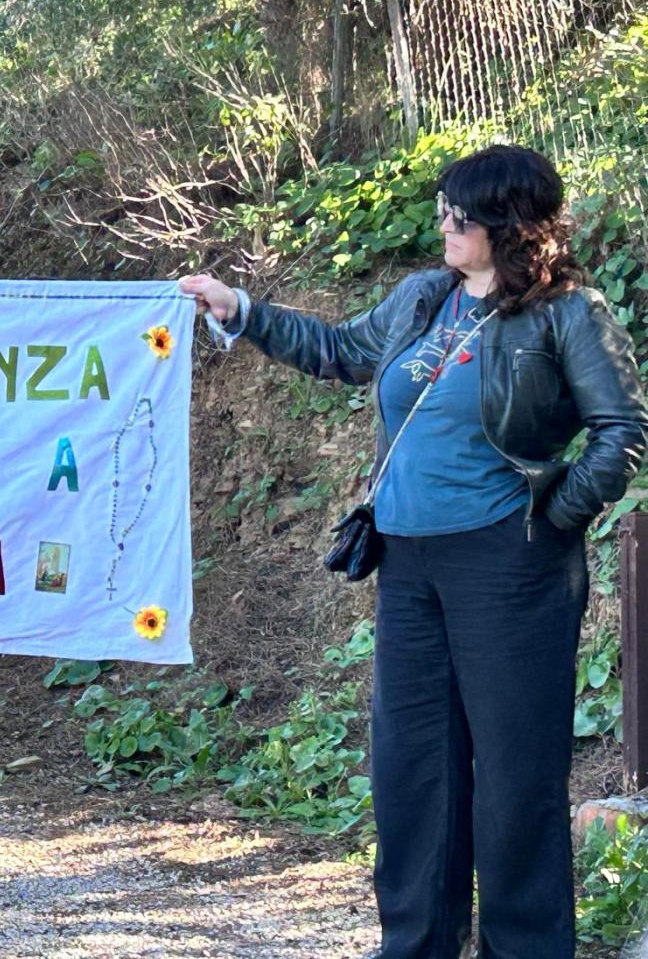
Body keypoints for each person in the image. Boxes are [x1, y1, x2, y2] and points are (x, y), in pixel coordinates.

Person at [182, 144, 648, 958]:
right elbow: (337, 350)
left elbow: (622, 432)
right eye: (440, 209)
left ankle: (526, 949)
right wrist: (241, 310)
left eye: (458, 216)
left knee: (515, 777)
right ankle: (418, 944)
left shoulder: (569, 313)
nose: (442, 224)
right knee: (414, 771)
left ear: (507, 225)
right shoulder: (423, 298)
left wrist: (549, 517)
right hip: (408, 564)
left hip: (511, 566)